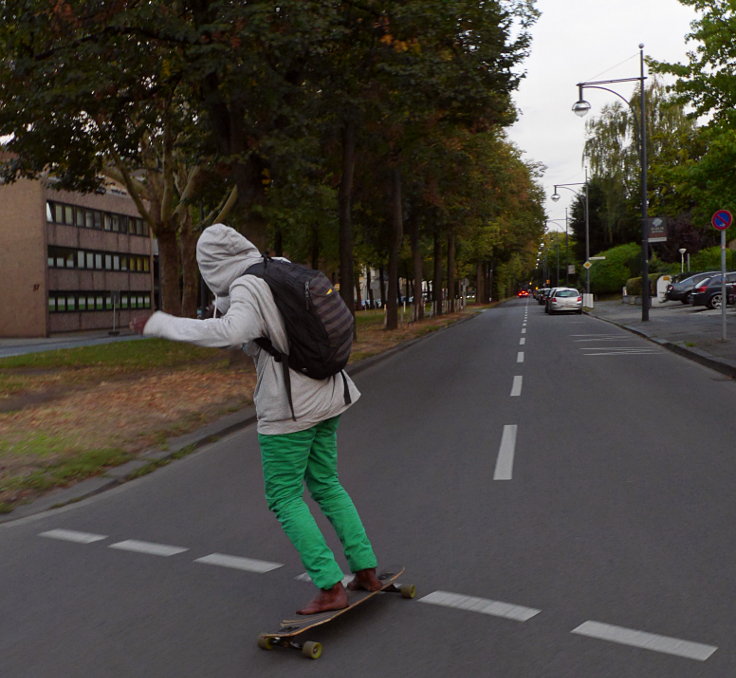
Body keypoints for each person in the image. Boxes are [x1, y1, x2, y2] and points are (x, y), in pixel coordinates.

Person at [130, 223, 381, 614]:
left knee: (283, 496)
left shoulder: (248, 286)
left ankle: (330, 587)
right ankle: (365, 568)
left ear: (210, 265)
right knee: (327, 484)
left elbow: (233, 332)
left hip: (292, 407)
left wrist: (160, 323)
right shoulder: (279, 267)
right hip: (331, 390)